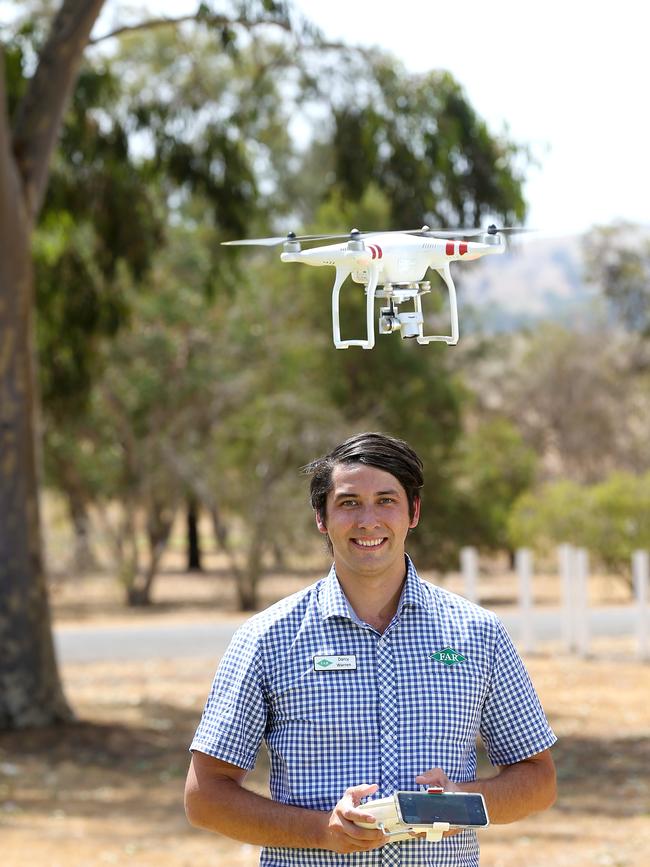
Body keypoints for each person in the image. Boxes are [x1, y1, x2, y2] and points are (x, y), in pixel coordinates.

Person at [185, 432, 557, 866]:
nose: (368, 520)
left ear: (413, 512)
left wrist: (460, 802)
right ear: (321, 518)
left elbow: (538, 780)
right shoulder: (267, 638)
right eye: (348, 503)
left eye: (386, 500)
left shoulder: (478, 633)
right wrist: (323, 832)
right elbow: (205, 796)